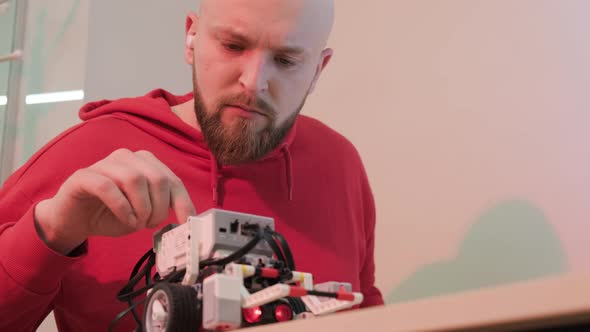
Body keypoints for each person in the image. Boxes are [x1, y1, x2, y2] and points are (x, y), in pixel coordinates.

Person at [0, 0, 384, 330]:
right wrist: (50, 230)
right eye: (233, 45)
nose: (254, 83)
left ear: (318, 69)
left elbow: (365, 311)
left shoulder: (341, 167)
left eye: (285, 60)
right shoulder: (88, 155)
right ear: (191, 38)